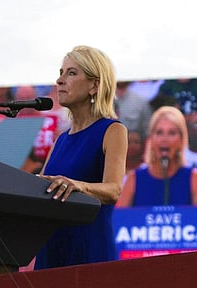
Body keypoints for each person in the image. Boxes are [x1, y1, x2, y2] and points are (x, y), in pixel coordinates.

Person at [34, 45, 128, 269]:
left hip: (89, 251)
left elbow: (114, 189)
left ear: (95, 85)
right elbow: (42, 190)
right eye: (60, 73)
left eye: (71, 73)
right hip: (51, 251)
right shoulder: (60, 141)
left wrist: (78, 186)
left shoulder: (112, 130)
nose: (60, 81)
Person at [116, 106, 197, 207]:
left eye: (172, 133)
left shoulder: (193, 178)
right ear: (151, 139)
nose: (165, 139)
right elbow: (119, 220)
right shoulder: (134, 179)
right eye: (159, 132)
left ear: (181, 140)